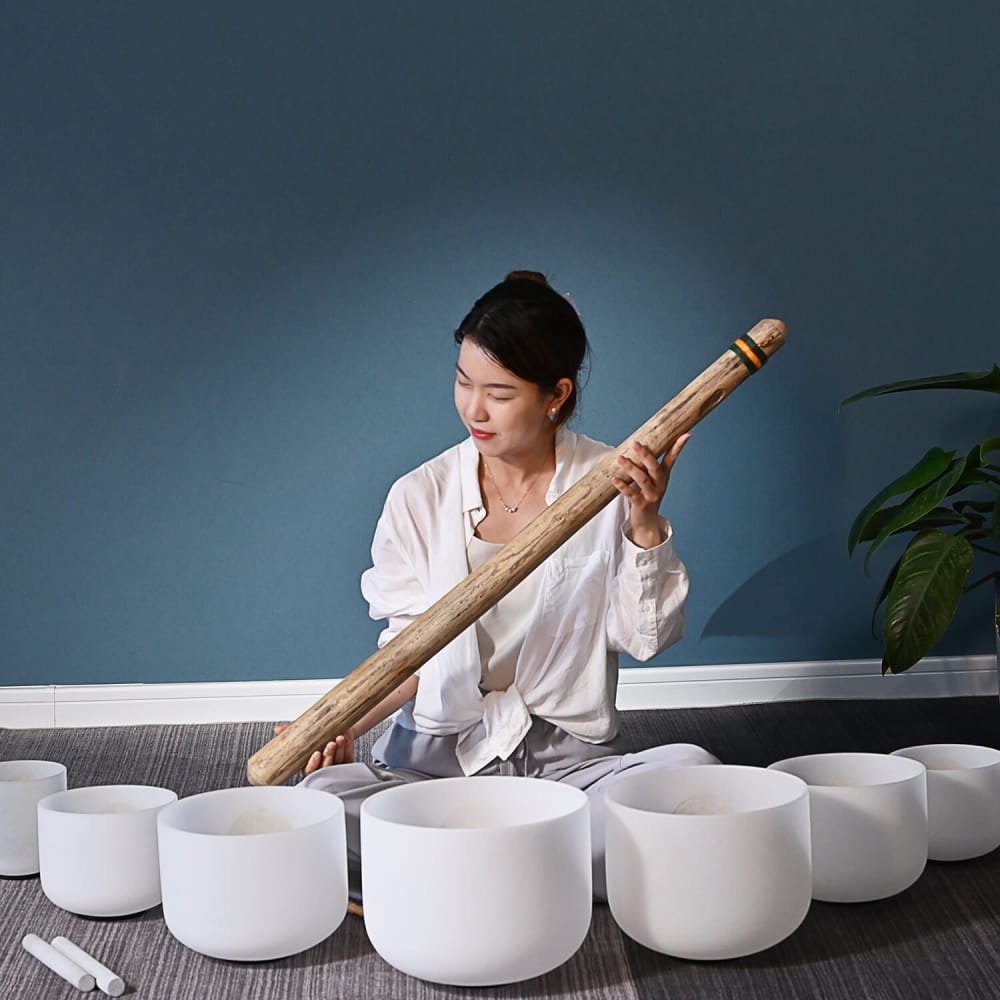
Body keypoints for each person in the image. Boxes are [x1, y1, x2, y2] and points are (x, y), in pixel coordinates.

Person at [289, 270, 718, 900]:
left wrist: (644, 525)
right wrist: (339, 725)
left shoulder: (612, 480)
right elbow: (409, 654)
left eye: (499, 392)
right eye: (464, 382)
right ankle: (532, 874)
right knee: (320, 800)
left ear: (555, 395)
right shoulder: (418, 496)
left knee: (694, 775)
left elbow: (646, 638)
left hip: (569, 768)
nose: (473, 409)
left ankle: (442, 877)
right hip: (434, 768)